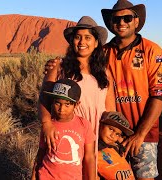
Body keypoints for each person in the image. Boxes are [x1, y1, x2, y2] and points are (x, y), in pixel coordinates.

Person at [101, 0, 162, 179]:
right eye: (116, 19)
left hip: (143, 135)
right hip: (111, 134)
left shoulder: (152, 51)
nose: (121, 23)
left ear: (136, 21)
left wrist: (140, 134)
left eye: (127, 18)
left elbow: (161, 94)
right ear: (110, 23)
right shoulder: (102, 53)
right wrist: (55, 66)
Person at [39, 16, 116, 153]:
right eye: (78, 37)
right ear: (72, 41)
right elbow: (45, 98)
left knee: (91, 172)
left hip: (96, 136)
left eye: (88, 37)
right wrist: (46, 124)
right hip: (68, 133)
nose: (82, 42)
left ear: (96, 43)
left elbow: (110, 110)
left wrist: (111, 134)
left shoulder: (104, 72)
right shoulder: (59, 67)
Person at [32, 78, 96, 180]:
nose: (62, 109)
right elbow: (41, 152)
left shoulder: (84, 125)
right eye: (57, 103)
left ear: (76, 104)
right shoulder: (48, 126)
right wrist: (34, 175)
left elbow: (90, 157)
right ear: (52, 102)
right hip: (47, 176)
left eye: (67, 104)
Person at [98, 111, 135, 180]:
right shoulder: (95, 149)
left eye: (117, 134)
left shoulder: (118, 148)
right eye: (111, 129)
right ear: (101, 124)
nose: (112, 136)